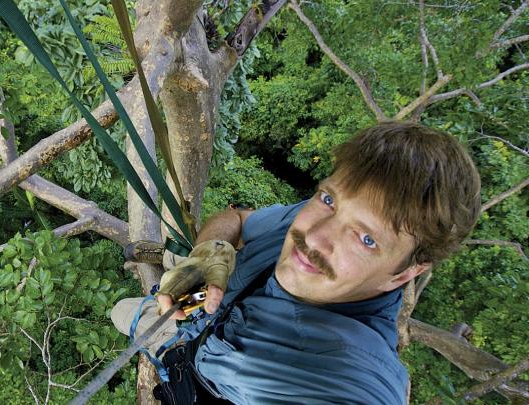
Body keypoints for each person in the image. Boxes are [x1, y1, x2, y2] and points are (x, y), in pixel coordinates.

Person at [111, 121, 482, 404]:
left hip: (194, 369)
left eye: (366, 238)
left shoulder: (352, 374)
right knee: (121, 311)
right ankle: (169, 256)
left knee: (125, 314)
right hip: (200, 310)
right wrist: (211, 248)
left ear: (406, 272)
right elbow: (238, 218)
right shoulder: (301, 219)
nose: (314, 237)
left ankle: (164, 255)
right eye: (329, 200)